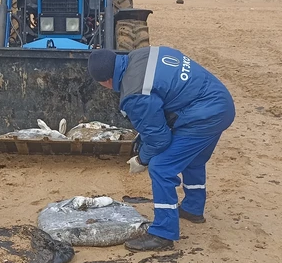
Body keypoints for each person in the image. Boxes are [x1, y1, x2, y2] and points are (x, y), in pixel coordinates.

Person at [87, 47, 235, 251]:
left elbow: (160, 140)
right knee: (193, 159)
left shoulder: (134, 93)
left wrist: (142, 159)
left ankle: (163, 234)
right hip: (221, 102)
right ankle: (193, 208)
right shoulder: (141, 54)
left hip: (204, 117)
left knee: (161, 167)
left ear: (106, 82)